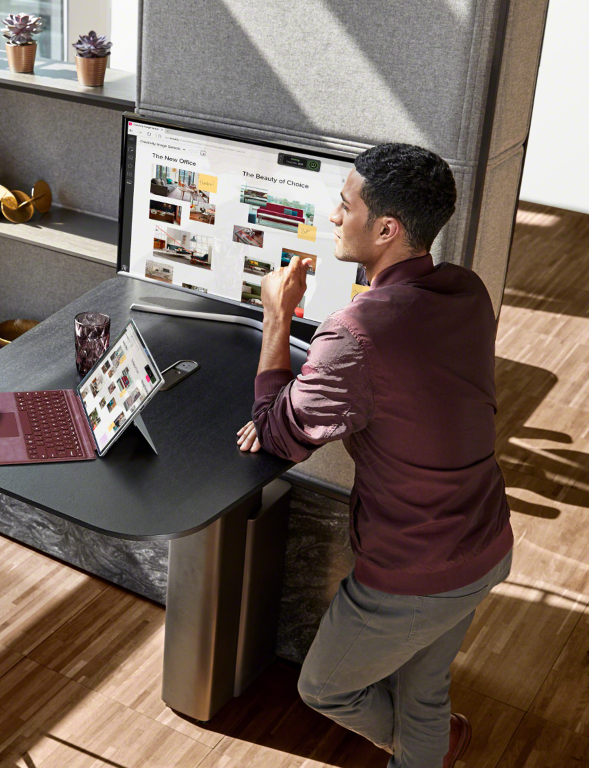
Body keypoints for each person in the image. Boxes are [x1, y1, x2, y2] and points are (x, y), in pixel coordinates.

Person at [236, 143, 512, 768]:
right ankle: (428, 746)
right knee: (424, 689)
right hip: (486, 541)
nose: (334, 216)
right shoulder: (466, 291)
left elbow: (276, 435)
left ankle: (425, 749)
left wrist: (278, 317)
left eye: (344, 205)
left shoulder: (356, 332)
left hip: (415, 568)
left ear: (386, 229)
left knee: (324, 685)